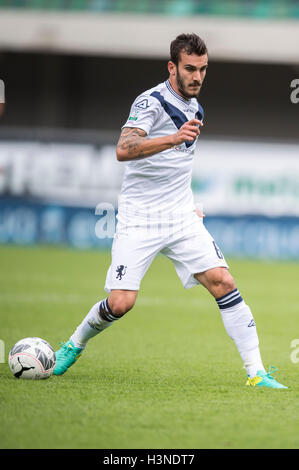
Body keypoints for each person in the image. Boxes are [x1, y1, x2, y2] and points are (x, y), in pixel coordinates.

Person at [54, 33, 287, 389]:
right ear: (172, 67)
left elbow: (177, 169)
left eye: (203, 69)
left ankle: (256, 373)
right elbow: (124, 148)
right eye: (190, 68)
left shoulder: (196, 107)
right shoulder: (152, 102)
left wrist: (190, 205)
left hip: (180, 217)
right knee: (120, 303)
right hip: (140, 219)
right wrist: (174, 137)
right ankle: (74, 344)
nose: (197, 76)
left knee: (224, 282)